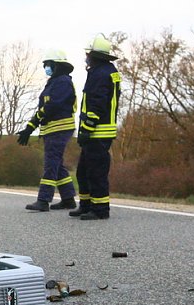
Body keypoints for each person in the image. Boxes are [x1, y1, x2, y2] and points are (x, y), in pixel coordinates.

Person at [17, 50, 78, 212]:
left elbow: (51, 106)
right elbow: (45, 109)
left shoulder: (62, 82)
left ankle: (43, 200)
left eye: (48, 65)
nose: (46, 68)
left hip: (59, 127)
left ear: (57, 65)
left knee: (50, 163)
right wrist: (29, 128)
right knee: (57, 165)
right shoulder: (54, 82)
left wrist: (32, 125)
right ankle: (68, 199)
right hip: (52, 128)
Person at [71, 34, 121, 220]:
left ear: (95, 55)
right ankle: (86, 205)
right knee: (83, 171)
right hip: (98, 131)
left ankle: (100, 209)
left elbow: (97, 104)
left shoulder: (100, 74)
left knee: (95, 172)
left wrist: (87, 128)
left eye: (88, 53)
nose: (86, 57)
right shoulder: (106, 71)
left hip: (98, 132)